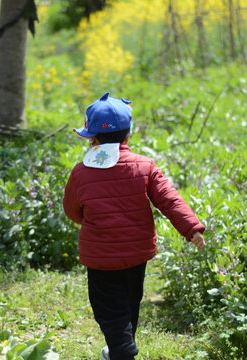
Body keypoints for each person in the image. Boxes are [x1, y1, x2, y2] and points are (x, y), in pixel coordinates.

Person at [62, 92, 206, 360]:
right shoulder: (145, 166)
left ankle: (123, 352)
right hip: (137, 254)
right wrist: (192, 228)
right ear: (128, 135)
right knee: (128, 306)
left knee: (109, 309)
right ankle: (119, 349)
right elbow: (169, 199)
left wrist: (91, 221)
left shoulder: (81, 172)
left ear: (91, 138)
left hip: (101, 257)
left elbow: (72, 210)